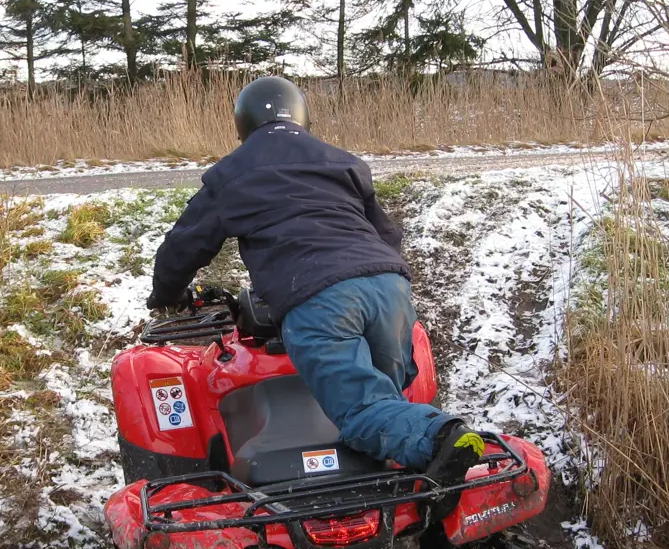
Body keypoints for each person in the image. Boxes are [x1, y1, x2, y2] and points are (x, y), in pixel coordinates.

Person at [146, 75, 488, 489]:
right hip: (389, 288)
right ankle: (387, 489)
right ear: (303, 114)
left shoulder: (232, 173)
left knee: (362, 411)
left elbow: (184, 245)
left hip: (320, 298)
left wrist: (167, 295)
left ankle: (440, 438)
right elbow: (387, 234)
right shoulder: (341, 160)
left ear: (243, 122)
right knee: (388, 399)